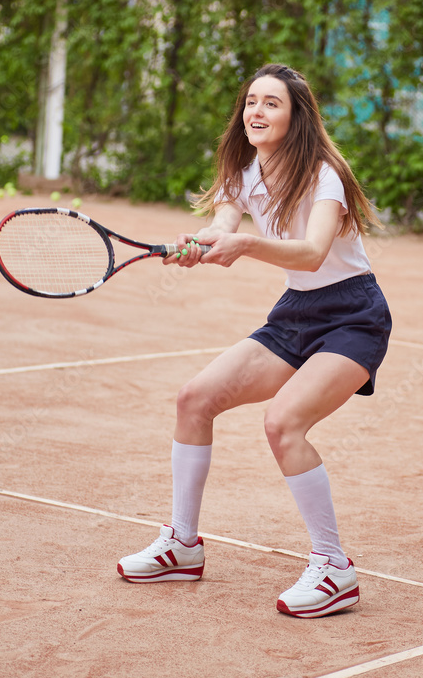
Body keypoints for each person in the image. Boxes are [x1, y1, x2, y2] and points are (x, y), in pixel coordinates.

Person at [117, 63, 392, 618]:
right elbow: (223, 226)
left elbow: (313, 252)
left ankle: (335, 569)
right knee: (195, 398)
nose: (256, 112)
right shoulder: (245, 170)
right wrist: (199, 243)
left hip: (354, 316)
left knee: (283, 422)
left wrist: (242, 245)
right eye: (250, 102)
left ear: (297, 117)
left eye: (271, 103)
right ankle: (182, 546)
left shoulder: (323, 176)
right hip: (296, 312)